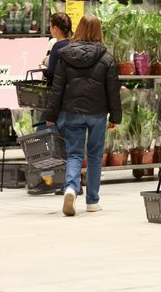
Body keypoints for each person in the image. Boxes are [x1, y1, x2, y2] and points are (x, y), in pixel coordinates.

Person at [44, 15, 122, 217]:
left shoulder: (64, 54)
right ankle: (92, 201)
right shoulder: (106, 57)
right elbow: (113, 90)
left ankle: (70, 189)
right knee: (95, 155)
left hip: (72, 111)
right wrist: (115, 116)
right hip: (97, 113)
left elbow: (57, 88)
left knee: (75, 154)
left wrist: (51, 114)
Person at [43, 12, 73, 83]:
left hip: (59, 88)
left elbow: (51, 73)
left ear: (55, 28)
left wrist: (42, 68)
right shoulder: (73, 43)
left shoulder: (58, 46)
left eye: (50, 26)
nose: (49, 28)